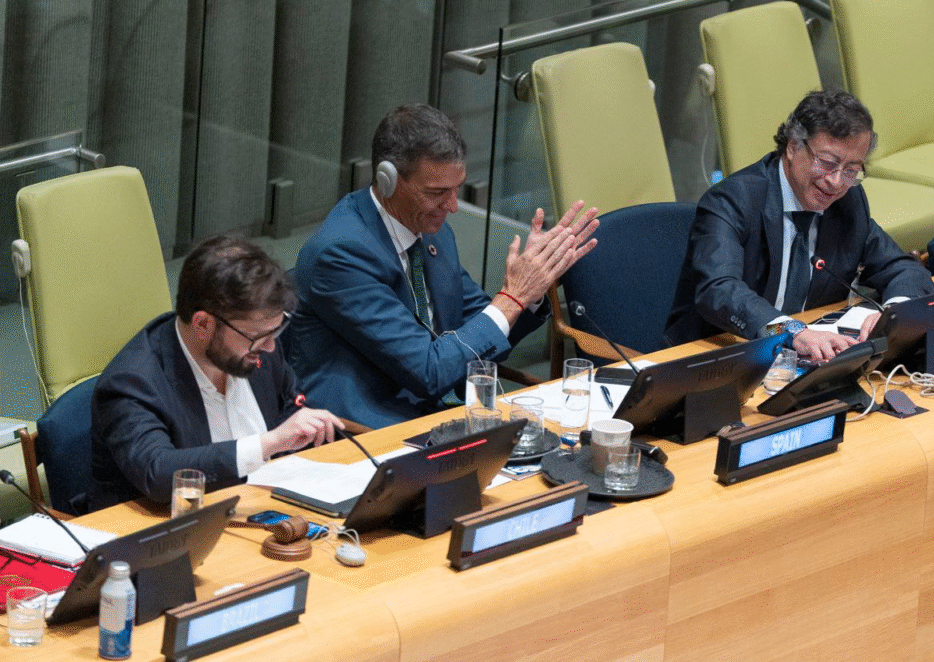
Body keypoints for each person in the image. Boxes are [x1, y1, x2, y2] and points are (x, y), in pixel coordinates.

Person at [289, 104, 598, 428]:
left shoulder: (432, 234)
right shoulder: (341, 254)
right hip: (371, 429)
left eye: (456, 189)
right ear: (388, 180)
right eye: (437, 192)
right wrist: (513, 297)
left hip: (444, 414)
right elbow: (428, 371)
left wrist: (533, 289)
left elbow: (483, 329)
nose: (452, 206)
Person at [664, 89, 934, 361]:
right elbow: (719, 290)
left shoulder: (848, 203)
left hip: (808, 361)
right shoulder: (734, 201)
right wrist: (792, 332)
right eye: (827, 163)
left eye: (852, 170)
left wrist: (892, 314)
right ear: (793, 147)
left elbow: (904, 269)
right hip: (719, 359)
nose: (836, 182)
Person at [90, 235, 346, 511]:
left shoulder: (255, 346)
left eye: (276, 331)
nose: (271, 347)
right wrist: (267, 444)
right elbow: (158, 472)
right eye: (258, 337)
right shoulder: (133, 382)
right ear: (203, 324)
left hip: (264, 513)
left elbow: (288, 408)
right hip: (169, 527)